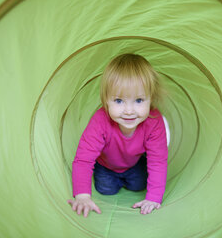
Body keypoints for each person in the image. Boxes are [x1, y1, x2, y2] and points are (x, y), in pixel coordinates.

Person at [67, 53, 168, 217]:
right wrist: (82, 195)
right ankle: (115, 180)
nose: (129, 111)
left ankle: (131, 177)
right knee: (106, 190)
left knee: (139, 186)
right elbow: (83, 159)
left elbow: (158, 160)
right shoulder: (100, 120)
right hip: (106, 167)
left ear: (151, 98)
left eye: (139, 100)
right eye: (119, 101)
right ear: (106, 100)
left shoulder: (154, 121)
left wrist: (154, 198)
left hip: (134, 164)